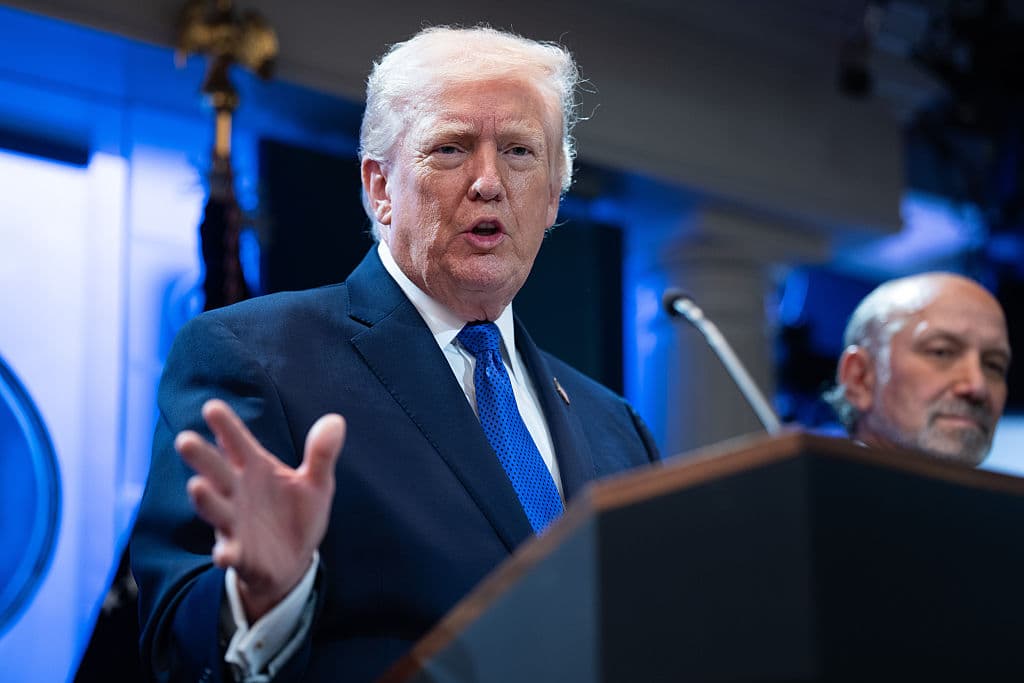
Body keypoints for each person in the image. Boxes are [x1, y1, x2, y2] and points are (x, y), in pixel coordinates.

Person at [130, 25, 659, 683]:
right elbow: (172, 644)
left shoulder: (619, 431)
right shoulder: (254, 356)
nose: (489, 181)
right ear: (379, 187)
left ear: (552, 196)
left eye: (521, 152)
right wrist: (265, 595)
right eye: (452, 148)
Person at [824, 271, 1011, 466]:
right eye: (941, 352)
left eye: (994, 365)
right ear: (860, 378)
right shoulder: (798, 493)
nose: (977, 386)